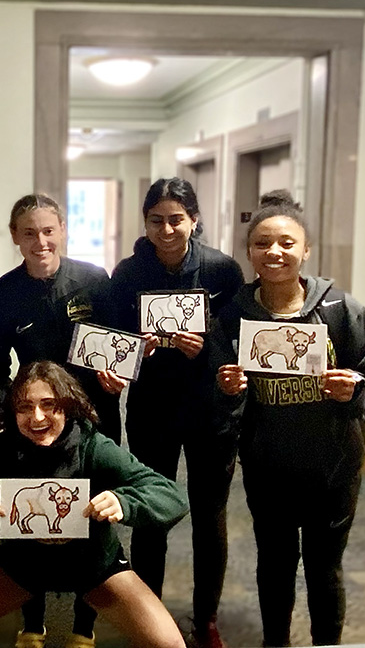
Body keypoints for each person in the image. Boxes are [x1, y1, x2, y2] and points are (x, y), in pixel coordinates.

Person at [209, 190, 365, 647]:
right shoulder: (234, 315)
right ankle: (276, 642)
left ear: (306, 250)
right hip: (267, 463)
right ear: (249, 251)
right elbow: (219, 398)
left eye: (287, 243)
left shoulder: (340, 311)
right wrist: (228, 389)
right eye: (262, 243)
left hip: (333, 464)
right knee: (274, 561)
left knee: (324, 566)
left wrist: (351, 388)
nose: (274, 252)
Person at [0, 361, 189, 648]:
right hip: (22, 564)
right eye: (24, 407)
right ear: (13, 412)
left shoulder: (94, 447)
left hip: (94, 566)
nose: (37, 417)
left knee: (169, 645)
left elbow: (172, 496)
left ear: (67, 406)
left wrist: (123, 502)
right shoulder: (5, 451)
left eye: (49, 404)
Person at [105, 177, 244, 648]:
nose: (166, 230)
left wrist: (202, 351)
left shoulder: (223, 272)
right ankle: (150, 614)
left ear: (194, 220)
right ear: (145, 222)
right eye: (156, 220)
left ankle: (205, 618)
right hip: (152, 408)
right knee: (151, 513)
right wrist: (132, 352)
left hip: (210, 408)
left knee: (210, 514)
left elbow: (235, 347)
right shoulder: (128, 273)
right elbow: (114, 339)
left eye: (177, 220)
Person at [0, 193, 124, 648]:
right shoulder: (4, 293)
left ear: (62, 230)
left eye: (47, 230)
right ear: (15, 238)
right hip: (35, 420)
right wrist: (11, 412)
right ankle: (33, 621)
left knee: (96, 514)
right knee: (32, 513)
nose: (40, 241)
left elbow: (119, 344)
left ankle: (85, 624)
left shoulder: (94, 280)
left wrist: (117, 375)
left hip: (95, 415)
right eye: (29, 233)